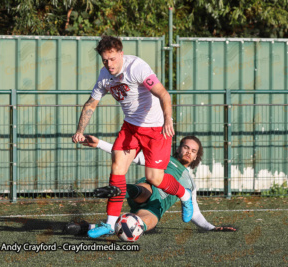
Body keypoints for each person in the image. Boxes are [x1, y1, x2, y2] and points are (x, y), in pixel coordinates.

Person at [72, 36, 193, 238]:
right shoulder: (104, 76)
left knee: (155, 178)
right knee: (117, 168)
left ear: (120, 54)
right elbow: (90, 104)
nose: (109, 64)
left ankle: (185, 195)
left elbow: (163, 93)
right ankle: (110, 224)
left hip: (156, 130)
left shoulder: (137, 67)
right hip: (130, 128)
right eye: (104, 60)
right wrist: (79, 131)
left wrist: (168, 120)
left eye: (112, 59)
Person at [64, 135, 236, 236]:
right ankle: (123, 190)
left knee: (142, 223)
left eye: (193, 151)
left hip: (155, 207)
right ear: (179, 148)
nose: (188, 152)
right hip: (146, 191)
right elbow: (128, 154)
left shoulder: (191, 184)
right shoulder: (163, 159)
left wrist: (212, 227)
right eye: (186, 147)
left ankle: (87, 227)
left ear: (197, 156)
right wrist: (99, 143)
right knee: (147, 188)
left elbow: (194, 213)